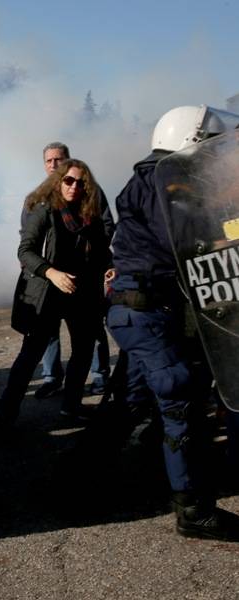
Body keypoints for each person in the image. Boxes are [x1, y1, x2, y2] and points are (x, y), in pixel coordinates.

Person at [106, 105, 239, 541]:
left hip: (149, 309)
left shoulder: (158, 180)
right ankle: (192, 511)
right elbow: (186, 241)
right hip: (145, 310)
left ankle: (132, 476)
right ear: (191, 140)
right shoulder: (162, 183)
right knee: (179, 399)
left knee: (144, 400)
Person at [0, 158, 112, 431]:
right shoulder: (45, 210)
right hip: (47, 292)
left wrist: (110, 267)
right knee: (30, 355)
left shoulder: (89, 214)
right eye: (68, 180)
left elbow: (102, 250)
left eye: (80, 182)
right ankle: (5, 415)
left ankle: (70, 407)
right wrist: (52, 273)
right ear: (58, 182)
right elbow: (25, 251)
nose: (74, 186)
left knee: (83, 351)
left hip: (80, 292)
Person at [32, 142, 113, 399]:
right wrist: (44, 269)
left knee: (91, 334)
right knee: (49, 334)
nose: (54, 165)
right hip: (52, 281)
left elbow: (107, 225)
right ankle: (51, 377)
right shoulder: (40, 199)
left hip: (85, 279)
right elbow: (28, 240)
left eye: (59, 160)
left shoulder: (91, 191)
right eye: (49, 161)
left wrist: (99, 257)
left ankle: (99, 377)